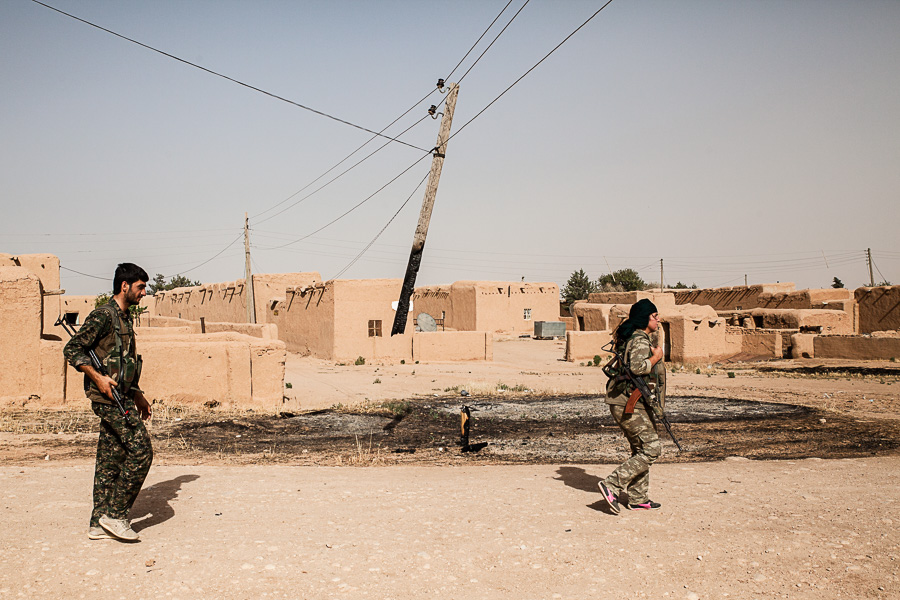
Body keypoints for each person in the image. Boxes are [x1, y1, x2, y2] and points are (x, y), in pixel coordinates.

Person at [63, 263, 153, 541]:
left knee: (110, 460)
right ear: (124, 286)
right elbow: (73, 349)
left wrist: (137, 393)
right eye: (140, 287)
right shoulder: (103, 315)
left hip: (123, 395)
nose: (144, 292)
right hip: (108, 398)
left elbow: (123, 361)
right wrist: (98, 379)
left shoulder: (124, 318)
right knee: (142, 452)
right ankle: (115, 515)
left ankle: (97, 522)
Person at [598, 298, 665, 514]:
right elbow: (637, 368)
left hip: (628, 401)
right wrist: (655, 358)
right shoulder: (640, 340)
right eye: (655, 316)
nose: (658, 319)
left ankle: (638, 497)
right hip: (628, 403)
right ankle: (612, 484)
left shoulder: (637, 337)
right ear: (645, 319)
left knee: (640, 448)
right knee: (652, 448)